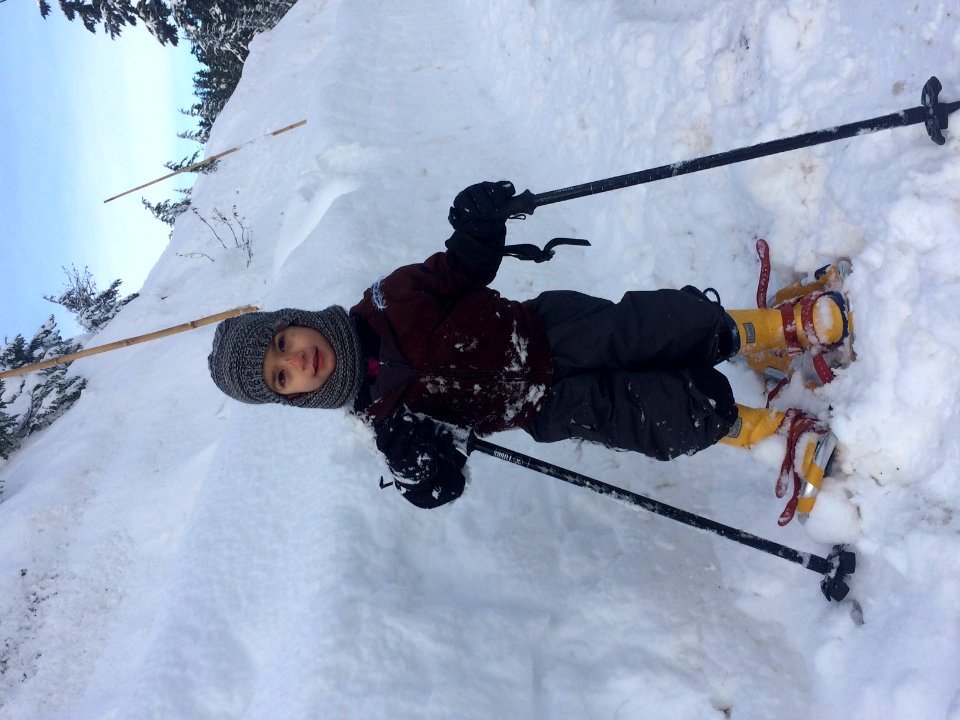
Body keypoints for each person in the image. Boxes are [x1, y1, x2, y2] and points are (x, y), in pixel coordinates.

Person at [208, 181, 849, 523]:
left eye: (284, 341)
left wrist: (479, 224)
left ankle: (765, 329)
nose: (296, 359)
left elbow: (462, 268)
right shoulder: (387, 424)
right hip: (550, 409)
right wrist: (424, 474)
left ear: (294, 321)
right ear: (291, 396)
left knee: (658, 325)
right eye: (281, 375)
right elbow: (442, 475)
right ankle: (767, 431)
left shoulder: (388, 299)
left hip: (547, 330)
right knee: (658, 419)